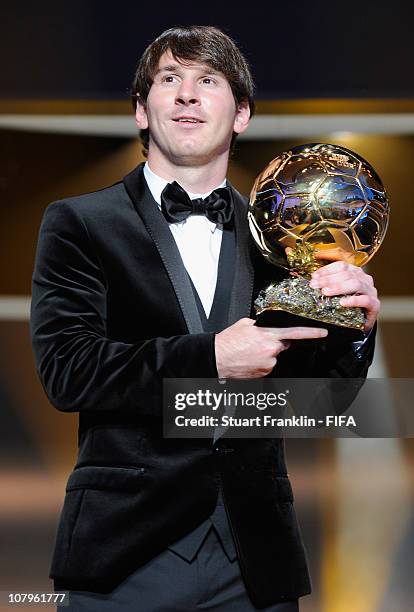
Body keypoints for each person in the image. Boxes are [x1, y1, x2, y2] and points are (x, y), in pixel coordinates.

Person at [30, 25, 379, 611]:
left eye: (207, 81)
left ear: (241, 114)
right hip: (122, 555)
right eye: (170, 79)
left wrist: (357, 332)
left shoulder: (283, 242)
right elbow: (69, 371)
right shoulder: (78, 223)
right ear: (142, 110)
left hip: (254, 561)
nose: (187, 94)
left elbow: (314, 405)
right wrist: (212, 359)